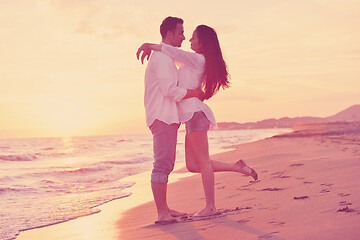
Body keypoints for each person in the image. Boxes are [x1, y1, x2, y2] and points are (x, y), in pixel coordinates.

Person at [137, 24, 258, 218]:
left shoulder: (197, 59)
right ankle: (238, 168)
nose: (189, 40)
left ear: (203, 43)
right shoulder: (194, 61)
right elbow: (170, 56)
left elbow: (169, 50)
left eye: (193, 37)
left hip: (194, 113)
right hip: (190, 116)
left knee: (202, 162)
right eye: (187, 35)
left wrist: (149, 45)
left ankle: (210, 206)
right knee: (194, 165)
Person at [138, 16, 204, 225]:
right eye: (181, 32)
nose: (184, 37)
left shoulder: (164, 55)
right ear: (169, 34)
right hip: (162, 115)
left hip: (165, 116)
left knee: (166, 163)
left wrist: (152, 46)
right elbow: (170, 90)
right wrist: (194, 93)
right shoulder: (163, 59)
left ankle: (165, 208)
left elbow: (180, 59)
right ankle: (161, 214)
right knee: (162, 164)